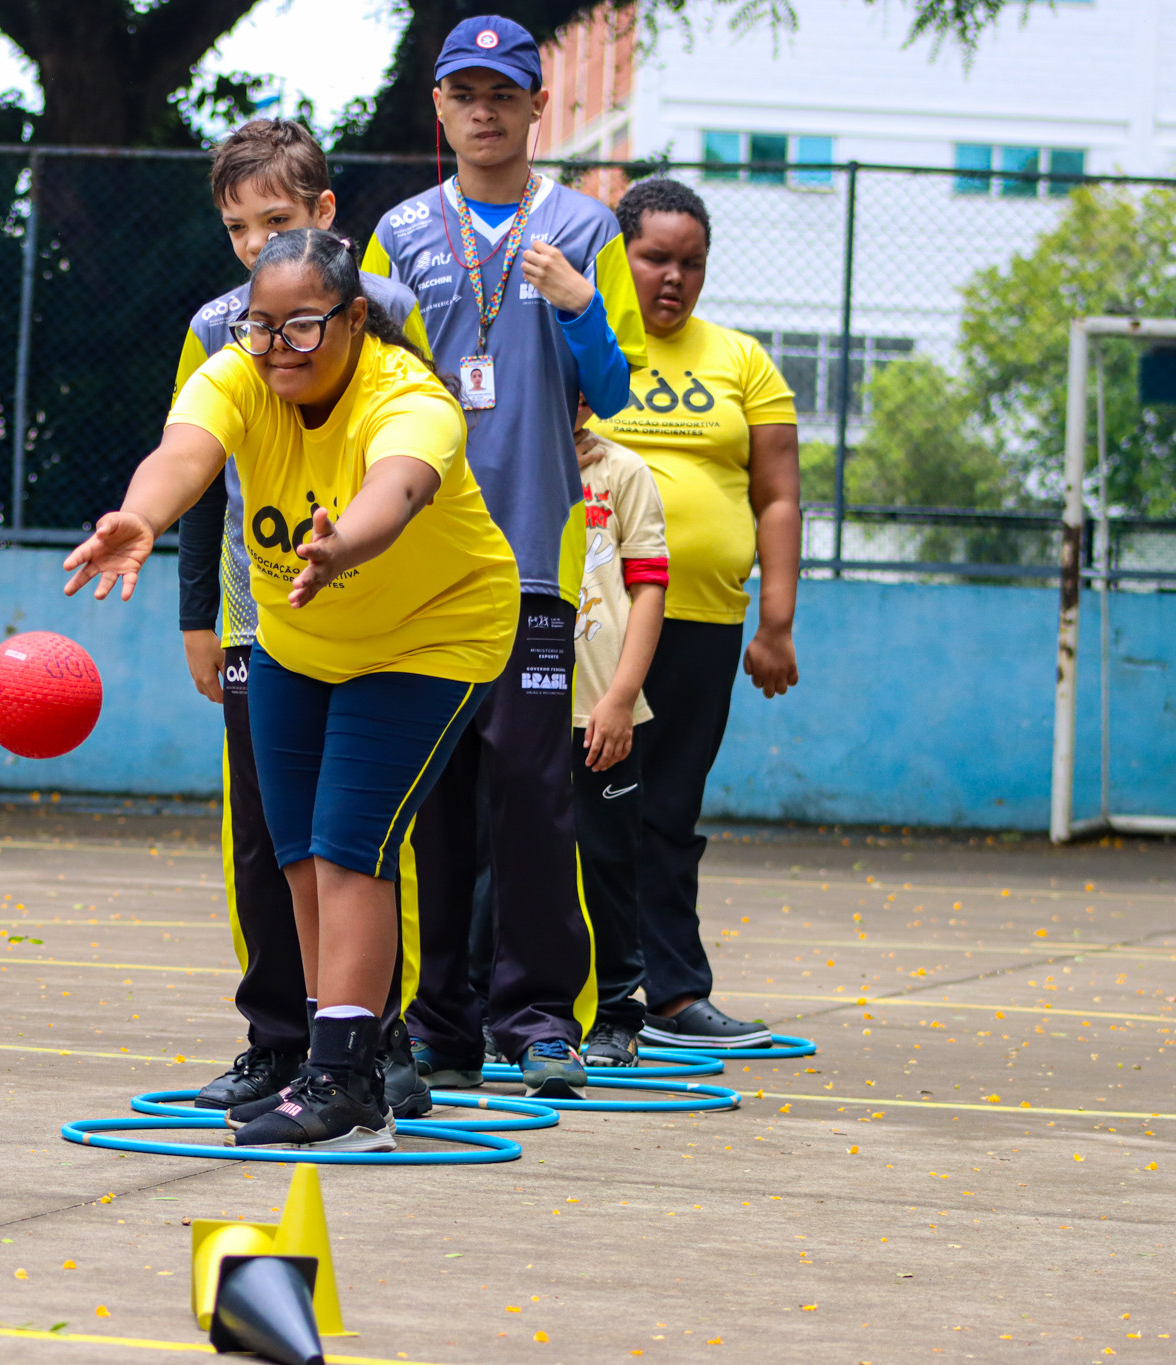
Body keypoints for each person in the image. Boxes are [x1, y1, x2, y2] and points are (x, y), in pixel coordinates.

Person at [65, 228, 517, 1151]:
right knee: (303, 854)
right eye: (262, 325)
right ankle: (336, 1059)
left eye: (304, 325)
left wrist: (347, 541)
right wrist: (140, 516)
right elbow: (183, 454)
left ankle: (349, 1088)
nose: (278, 347)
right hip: (297, 641)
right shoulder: (238, 373)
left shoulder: (410, 396)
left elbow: (399, 485)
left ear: (355, 317)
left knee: (351, 846)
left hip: (432, 636)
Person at [364, 14, 647, 1098]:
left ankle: (537, 1021)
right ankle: (438, 1024)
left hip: (533, 553)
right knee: (431, 802)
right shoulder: (398, 233)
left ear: (538, 106)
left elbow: (613, 392)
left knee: (533, 796)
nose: (483, 112)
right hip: (421, 561)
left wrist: (578, 310)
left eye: (502, 93)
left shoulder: (586, 227)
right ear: (438, 107)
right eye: (464, 93)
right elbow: (369, 385)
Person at [169, 119, 434, 1118]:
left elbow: (423, 451)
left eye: (274, 221)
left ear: (325, 213)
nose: (253, 245)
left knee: (359, 835)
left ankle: (379, 1041)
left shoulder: (383, 312)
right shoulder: (213, 329)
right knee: (267, 838)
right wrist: (199, 615)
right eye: (236, 228)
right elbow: (195, 471)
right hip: (259, 613)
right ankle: (276, 1040)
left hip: (373, 613)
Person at [588, 177, 801, 1049]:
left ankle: (674, 995)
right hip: (594, 626)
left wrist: (776, 622)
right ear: (619, 257)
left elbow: (778, 495)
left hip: (705, 617)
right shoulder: (588, 343)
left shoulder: (741, 361)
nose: (674, 277)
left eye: (692, 263)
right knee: (586, 806)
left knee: (669, 807)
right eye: (655, 258)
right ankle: (571, 995)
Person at [568, 404, 669, 1067]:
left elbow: (648, 586)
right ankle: (500, 1009)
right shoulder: (497, 461)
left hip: (598, 708)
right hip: (513, 707)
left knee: (605, 864)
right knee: (498, 865)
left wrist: (621, 698)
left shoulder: (623, 471)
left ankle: (615, 1015)